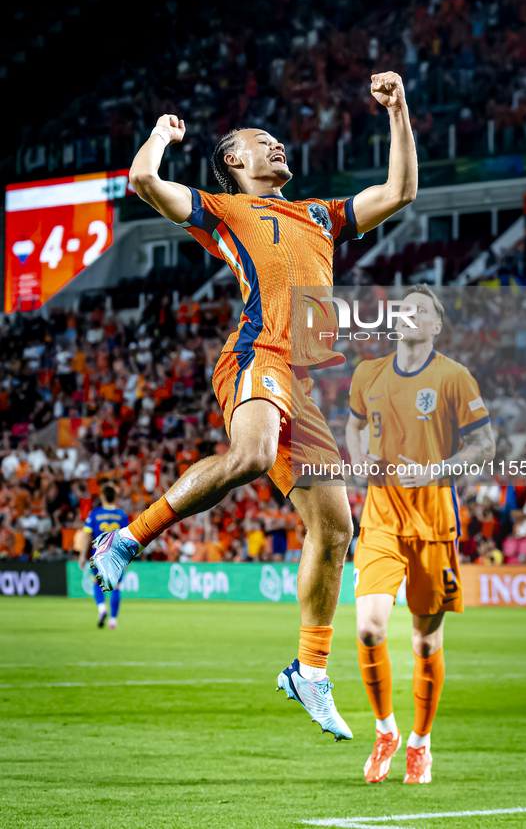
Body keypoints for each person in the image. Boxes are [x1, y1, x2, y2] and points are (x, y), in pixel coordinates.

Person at [91, 71, 417, 740]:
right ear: (234, 161)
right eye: (259, 142)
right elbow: (146, 184)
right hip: (254, 355)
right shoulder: (223, 208)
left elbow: (400, 191)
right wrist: (158, 134)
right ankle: (126, 539)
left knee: (334, 530)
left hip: (300, 380)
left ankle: (309, 670)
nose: (276, 147)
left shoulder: (319, 214)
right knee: (252, 453)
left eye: (276, 141)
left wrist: (397, 110)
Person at [345, 284, 495, 783]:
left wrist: (439, 469)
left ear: (435, 326)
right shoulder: (368, 373)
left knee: (425, 643)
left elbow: (485, 443)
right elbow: (353, 422)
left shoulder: (453, 377)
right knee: (369, 627)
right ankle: (385, 730)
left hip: (433, 519)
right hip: (381, 516)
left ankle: (420, 744)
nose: (409, 315)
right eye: (403, 308)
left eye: (421, 310)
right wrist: (357, 452)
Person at [79, 484, 129, 629]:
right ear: (115, 497)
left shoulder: (94, 514)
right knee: (116, 587)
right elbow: (126, 538)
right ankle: (113, 620)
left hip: (98, 555)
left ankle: (102, 609)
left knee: (96, 583)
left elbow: (87, 535)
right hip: (117, 557)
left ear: (102, 497)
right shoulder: (121, 515)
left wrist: (82, 555)